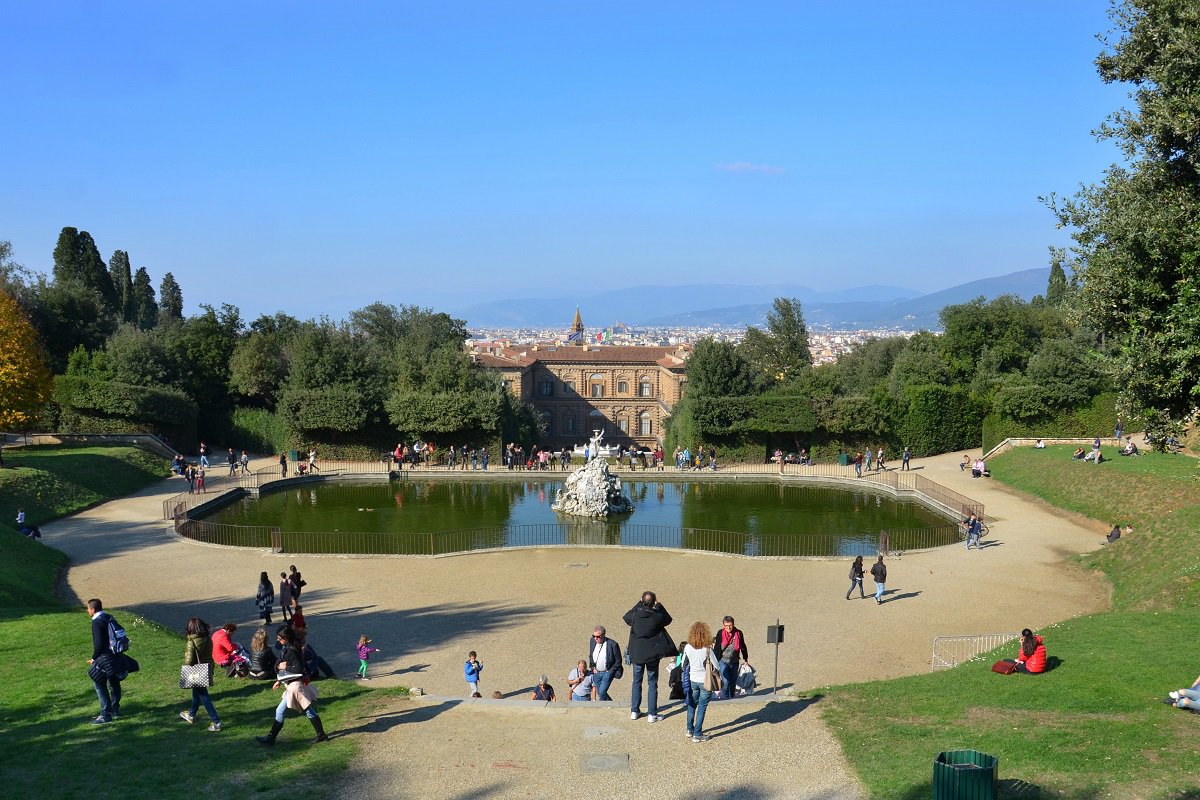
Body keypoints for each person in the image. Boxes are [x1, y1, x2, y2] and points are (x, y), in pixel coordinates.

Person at [256, 625, 328, 745]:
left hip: (295, 686)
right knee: (285, 711)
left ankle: (271, 738)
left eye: (280, 638)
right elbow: (278, 664)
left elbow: (298, 668)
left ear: (286, 637)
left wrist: (284, 666)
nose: (278, 640)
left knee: (306, 710)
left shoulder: (292, 650)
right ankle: (271, 738)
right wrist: (279, 670)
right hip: (292, 685)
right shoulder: (288, 648)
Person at [623, 590, 676, 722]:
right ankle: (652, 714)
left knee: (636, 682)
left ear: (642, 601)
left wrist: (639, 603)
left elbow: (626, 617)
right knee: (652, 683)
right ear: (653, 602)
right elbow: (668, 619)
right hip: (652, 654)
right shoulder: (656, 616)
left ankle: (634, 711)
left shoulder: (635, 615)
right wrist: (659, 606)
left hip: (637, 654)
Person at [179, 617, 222, 731]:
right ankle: (192, 714)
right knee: (197, 692)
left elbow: (189, 662)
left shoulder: (191, 642)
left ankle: (216, 722)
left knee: (204, 695)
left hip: (196, 671)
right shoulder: (208, 638)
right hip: (206, 668)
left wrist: (186, 655)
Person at [682, 621, 722, 742]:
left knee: (692, 704)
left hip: (693, 679)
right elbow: (717, 666)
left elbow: (683, 665)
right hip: (706, 681)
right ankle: (698, 733)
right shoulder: (707, 649)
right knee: (702, 707)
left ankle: (690, 729)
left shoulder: (688, 647)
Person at [85, 598, 123, 724]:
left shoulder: (96, 622)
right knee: (114, 682)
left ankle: (105, 714)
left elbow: (98, 644)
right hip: (116, 654)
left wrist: (94, 659)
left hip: (104, 657)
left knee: (99, 683)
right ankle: (115, 709)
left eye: (88, 608)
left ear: (93, 609)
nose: (87, 611)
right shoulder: (108, 617)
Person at [713, 616, 749, 700]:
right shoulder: (720, 633)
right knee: (726, 681)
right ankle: (725, 698)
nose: (728, 628)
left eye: (730, 625)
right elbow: (717, 648)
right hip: (722, 660)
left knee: (733, 681)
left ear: (733, 624)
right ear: (723, 625)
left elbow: (743, 646)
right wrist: (715, 661)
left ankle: (731, 696)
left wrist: (745, 658)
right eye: (726, 626)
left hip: (734, 660)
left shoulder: (738, 633)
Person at [587, 625, 624, 701]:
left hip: (607, 672)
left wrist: (610, 671)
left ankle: (603, 707)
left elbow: (618, 660)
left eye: (598, 636)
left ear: (603, 635)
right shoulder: (592, 641)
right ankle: (612, 704)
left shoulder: (613, 644)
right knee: (600, 692)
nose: (595, 638)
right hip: (596, 672)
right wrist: (592, 667)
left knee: (602, 692)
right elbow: (591, 655)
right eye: (594, 636)